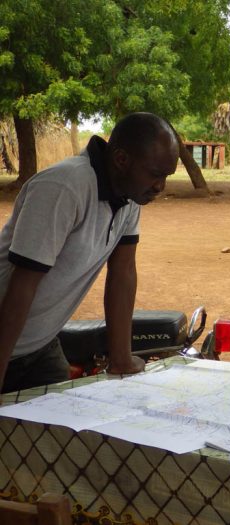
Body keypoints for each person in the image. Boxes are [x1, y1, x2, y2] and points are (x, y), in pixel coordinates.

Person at [0, 112, 179, 394]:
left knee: (58, 433)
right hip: (4, 341)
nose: (160, 186)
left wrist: (120, 359)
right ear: (121, 160)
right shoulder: (63, 187)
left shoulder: (129, 198)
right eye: (155, 174)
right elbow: (23, 285)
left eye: (166, 176)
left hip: (39, 346)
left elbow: (123, 272)